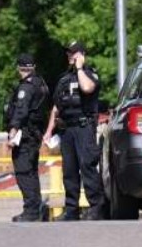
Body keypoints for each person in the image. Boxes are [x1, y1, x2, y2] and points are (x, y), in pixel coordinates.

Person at [43, 41, 105, 221]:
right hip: (67, 130)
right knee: (69, 171)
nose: (70, 56)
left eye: (74, 53)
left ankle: (96, 208)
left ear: (82, 55)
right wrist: (49, 131)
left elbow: (87, 88)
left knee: (87, 167)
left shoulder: (89, 74)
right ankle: (71, 209)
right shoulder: (63, 79)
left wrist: (79, 68)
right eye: (68, 53)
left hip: (84, 127)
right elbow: (56, 107)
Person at [4, 54, 49, 222]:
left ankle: (30, 210)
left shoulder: (26, 87)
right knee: (31, 172)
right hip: (34, 133)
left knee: (24, 172)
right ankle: (37, 208)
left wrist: (13, 130)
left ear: (19, 68)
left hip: (25, 135)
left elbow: (21, 110)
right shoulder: (41, 83)